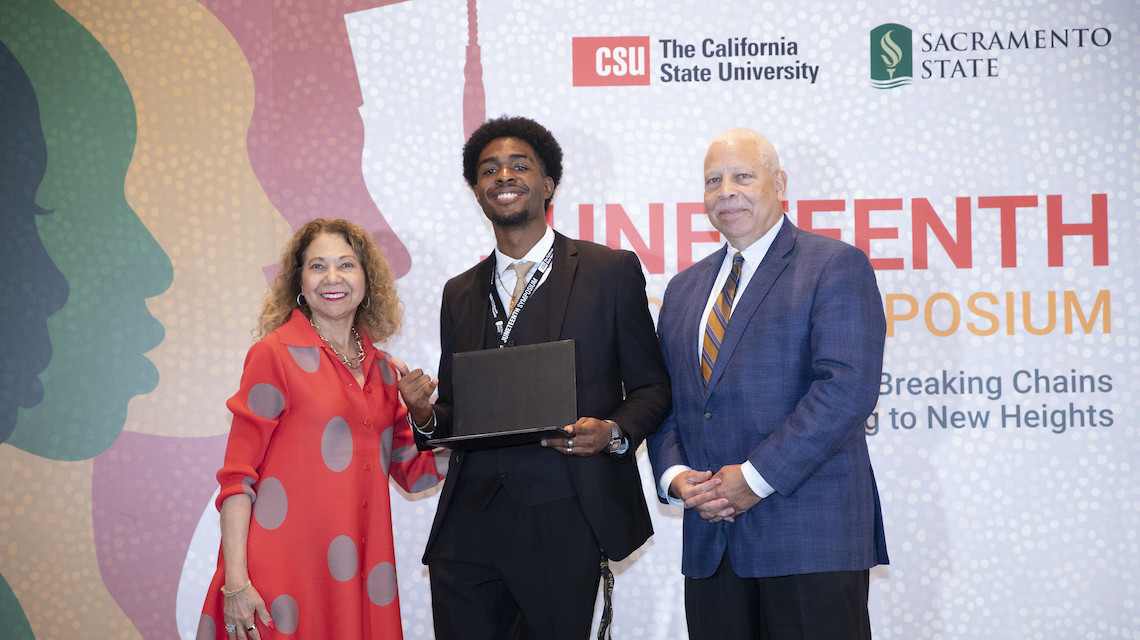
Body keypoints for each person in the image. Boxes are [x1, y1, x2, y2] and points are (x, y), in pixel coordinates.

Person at [396, 116, 672, 640]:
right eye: (489, 169)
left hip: (563, 512)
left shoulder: (608, 270)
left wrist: (611, 433)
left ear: (547, 185)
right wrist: (427, 416)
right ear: (477, 191)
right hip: (467, 523)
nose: (504, 175)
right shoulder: (459, 291)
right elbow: (459, 412)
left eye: (519, 165)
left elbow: (652, 388)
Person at [647, 128, 889, 639]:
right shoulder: (684, 289)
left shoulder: (834, 265)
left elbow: (845, 389)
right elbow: (667, 400)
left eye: (742, 176)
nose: (726, 191)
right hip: (713, 541)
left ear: (778, 183)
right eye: (713, 181)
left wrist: (754, 479)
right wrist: (676, 477)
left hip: (810, 537)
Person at [198, 219, 446, 640]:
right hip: (279, 577)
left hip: (361, 579)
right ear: (300, 280)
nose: (333, 278)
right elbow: (238, 479)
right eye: (318, 266)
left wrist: (424, 413)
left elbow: (416, 472)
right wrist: (236, 582)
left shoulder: (386, 371)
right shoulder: (272, 354)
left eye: (346, 265)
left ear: (367, 280)